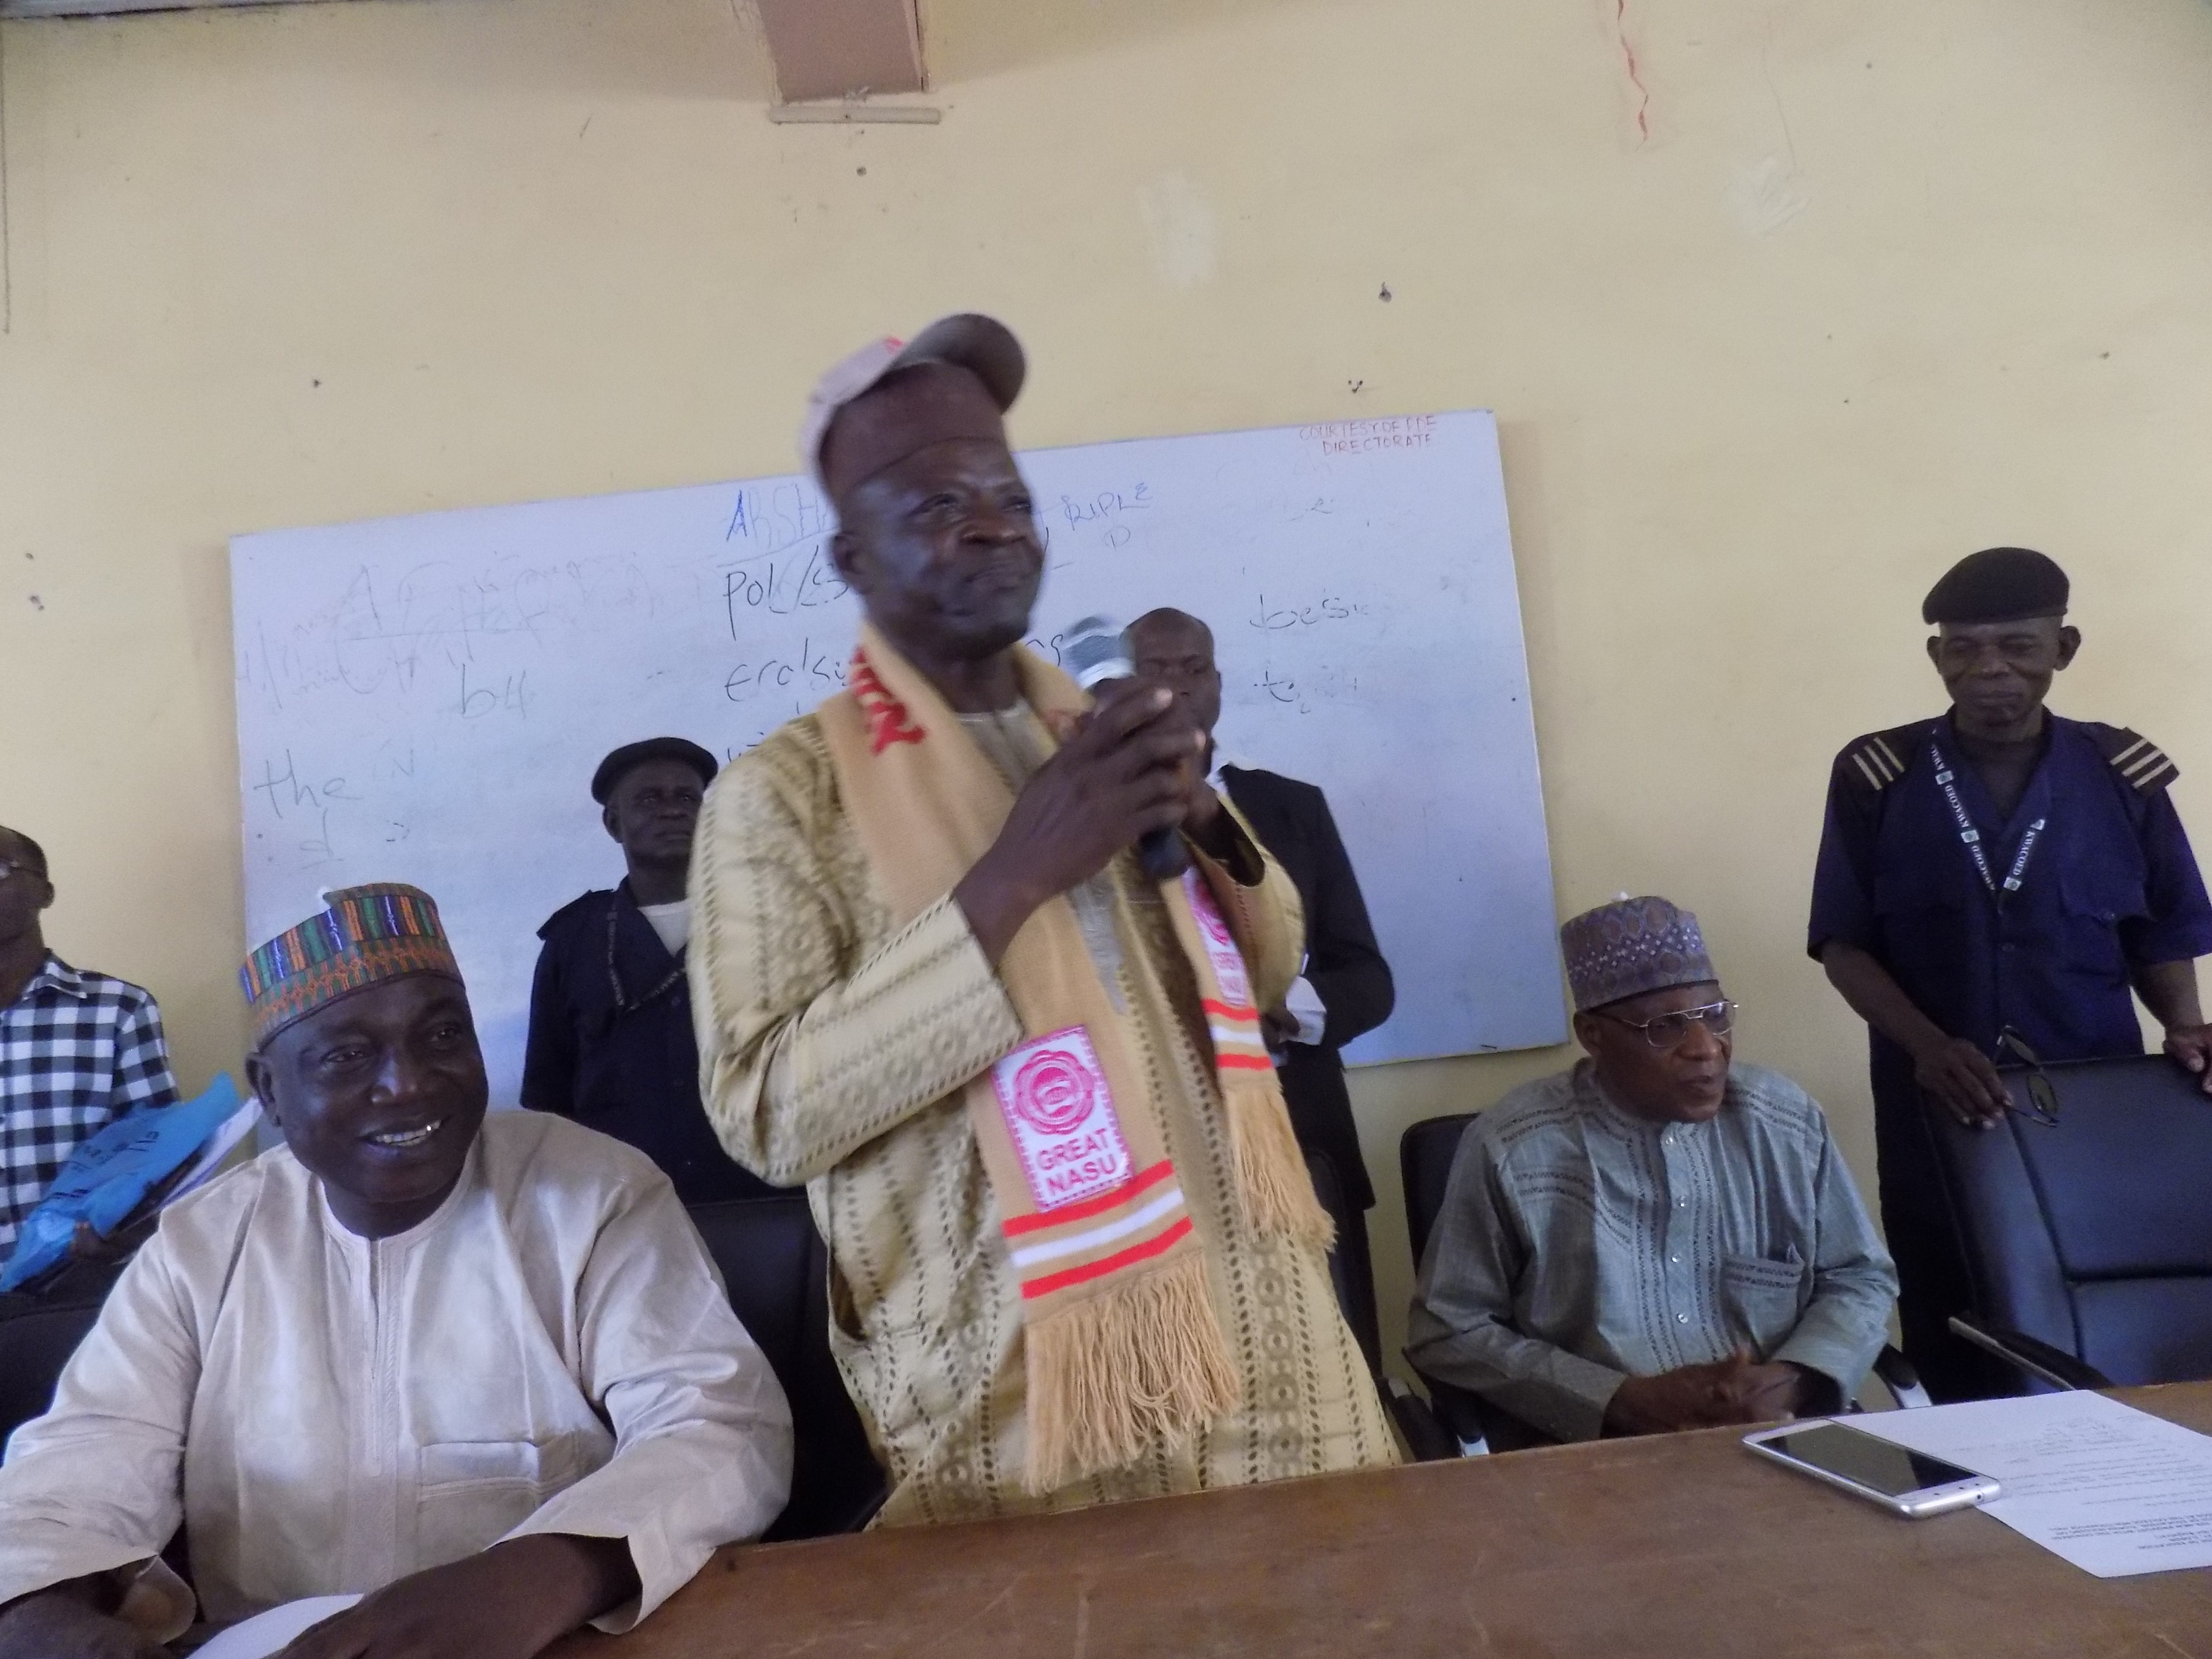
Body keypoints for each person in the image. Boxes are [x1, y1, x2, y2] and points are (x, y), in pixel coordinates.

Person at [690, 314, 1395, 1528]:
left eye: (1009, 497)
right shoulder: (782, 796)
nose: (992, 525)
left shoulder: (1102, 733)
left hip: (1276, 1344)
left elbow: (1275, 974)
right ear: (850, 557)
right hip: (1030, 1400)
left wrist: (1205, 823)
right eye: (936, 504)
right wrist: (1016, 873)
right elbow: (768, 1112)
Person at [0, 883, 792, 1659]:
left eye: (443, 1035)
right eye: (348, 1055)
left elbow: (718, 1423)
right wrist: (34, 1606)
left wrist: (555, 1569)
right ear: (271, 1090)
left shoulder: (592, 1194)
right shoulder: (201, 1245)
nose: (408, 1081)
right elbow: (86, 1458)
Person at [1810, 547, 2212, 1401]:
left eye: (2017, 646)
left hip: (2094, 1107)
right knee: (1951, 1313)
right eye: (1962, 647)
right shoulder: (1876, 777)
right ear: (1935, 657)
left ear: (2063, 648)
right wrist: (1926, 1048)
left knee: (2103, 1320)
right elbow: (1843, 944)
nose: (1988, 667)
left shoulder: (2121, 775)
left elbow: (2161, 932)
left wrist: (2184, 1025)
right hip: (1940, 1108)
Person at [1408, 896, 1897, 1445]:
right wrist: (1612, 1398)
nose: (1706, 1049)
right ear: (1593, 1035)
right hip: (1595, 1452)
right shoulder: (1516, 1148)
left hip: (1781, 1429)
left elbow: (1859, 1276)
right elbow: (1446, 1329)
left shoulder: (1784, 1122)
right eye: (1664, 1027)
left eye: (1715, 1016)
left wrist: (1795, 1378)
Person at [1129, 607, 1396, 1371]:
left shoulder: (1291, 806)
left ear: (1218, 681)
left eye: (1195, 669)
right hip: (1160, 1144)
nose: (1178, 688)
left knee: (1340, 1362)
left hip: (1301, 1132)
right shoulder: (1091, 816)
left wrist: (1283, 1010)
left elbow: (1367, 979)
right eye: (1154, 670)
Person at [522, 738, 772, 1202]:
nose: (672, 810)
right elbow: (547, 1101)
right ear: (613, 823)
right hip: (620, 1207)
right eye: (649, 799)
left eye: (687, 798)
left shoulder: (766, 922)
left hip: (761, 1201)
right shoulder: (572, 942)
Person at [0, 826, 179, 1258]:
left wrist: (121, 1240)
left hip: (71, 1281)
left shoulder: (119, 1011)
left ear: (46, 892)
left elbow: (159, 1158)